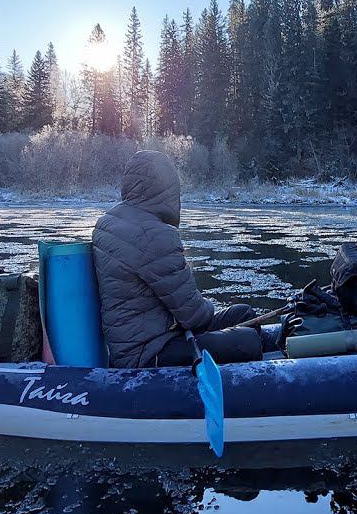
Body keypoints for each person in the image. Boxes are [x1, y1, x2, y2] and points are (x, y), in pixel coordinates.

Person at [92, 150, 262, 368]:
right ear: (167, 188)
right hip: (148, 352)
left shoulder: (106, 223)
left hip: (143, 341)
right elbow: (194, 316)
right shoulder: (155, 235)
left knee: (243, 314)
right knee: (247, 342)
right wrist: (208, 308)